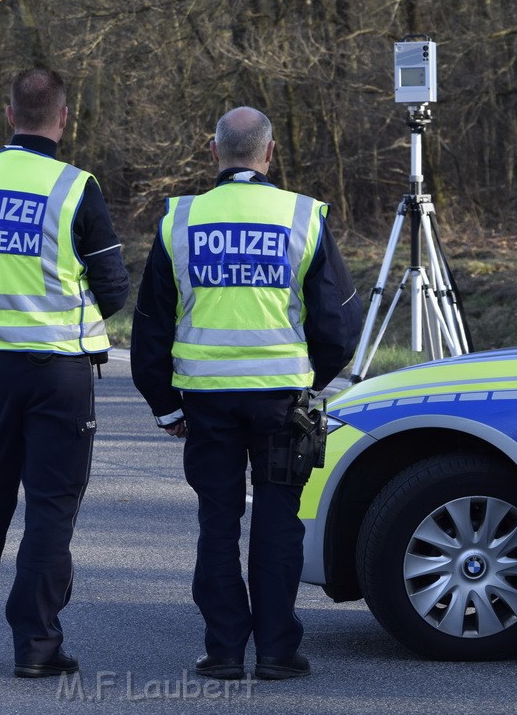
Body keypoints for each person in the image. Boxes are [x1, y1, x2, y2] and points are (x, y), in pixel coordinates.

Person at [131, 106, 362, 681]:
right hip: (282, 399)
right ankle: (279, 652)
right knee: (279, 518)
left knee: (219, 520)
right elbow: (338, 327)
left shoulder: (179, 220)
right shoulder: (302, 216)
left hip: (205, 400)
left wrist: (165, 405)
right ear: (270, 152)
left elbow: (151, 326)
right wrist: (309, 382)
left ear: (214, 153)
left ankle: (225, 651)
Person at [0, 67, 129, 678]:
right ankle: (37, 649)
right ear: (63, 119)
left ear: (8, 116)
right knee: (50, 511)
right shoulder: (74, 187)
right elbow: (113, 287)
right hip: (62, 374)